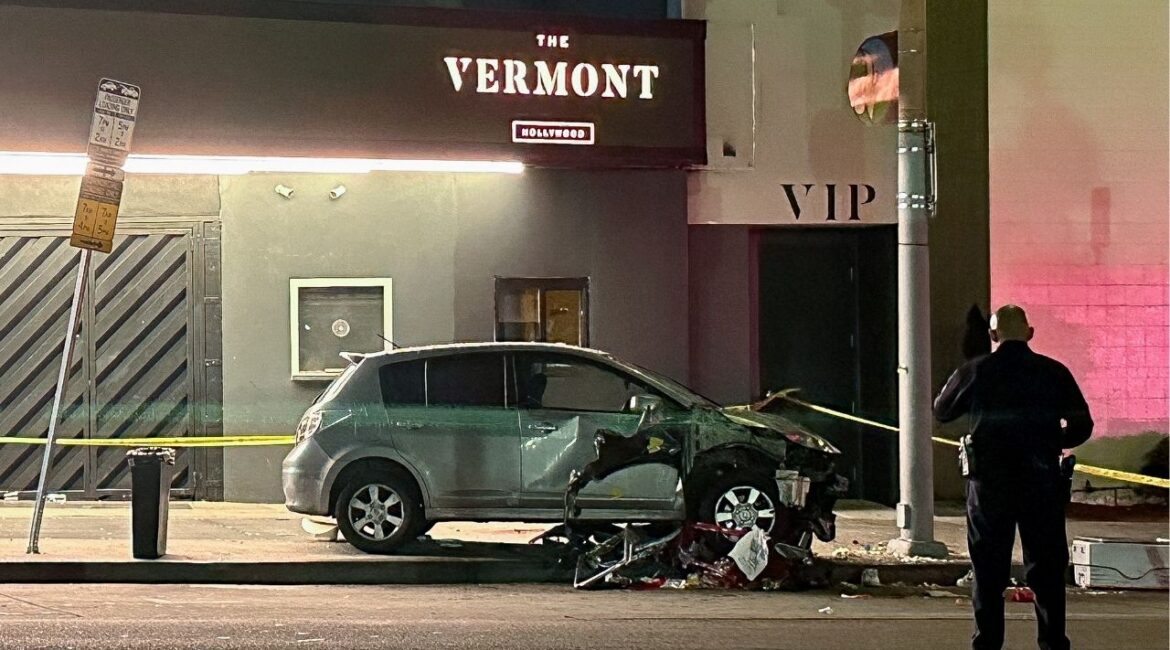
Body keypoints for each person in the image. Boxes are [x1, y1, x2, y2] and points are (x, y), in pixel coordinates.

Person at [934, 304, 1093, 650]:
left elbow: (942, 410)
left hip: (989, 484)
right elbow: (1083, 426)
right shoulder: (1054, 372)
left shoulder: (977, 370)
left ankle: (988, 643)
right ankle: (1052, 642)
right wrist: (1051, 441)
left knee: (988, 570)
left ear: (993, 335)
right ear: (1030, 333)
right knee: (1048, 569)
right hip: (1041, 479)